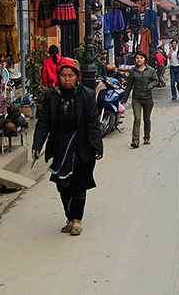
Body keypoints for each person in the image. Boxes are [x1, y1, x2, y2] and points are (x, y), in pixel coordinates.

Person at [32, 58, 103, 236]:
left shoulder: (86, 95)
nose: (67, 79)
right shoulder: (51, 95)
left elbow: (93, 123)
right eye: (63, 75)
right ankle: (69, 218)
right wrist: (37, 144)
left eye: (70, 75)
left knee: (79, 183)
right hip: (60, 144)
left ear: (77, 76)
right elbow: (43, 122)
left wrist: (97, 146)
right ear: (58, 76)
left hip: (81, 144)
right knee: (62, 185)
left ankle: (77, 220)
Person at [121, 51, 158, 148]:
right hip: (136, 98)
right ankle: (135, 140)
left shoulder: (150, 70)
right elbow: (129, 85)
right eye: (137, 58)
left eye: (141, 58)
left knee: (147, 119)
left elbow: (156, 80)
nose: (139, 60)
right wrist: (125, 97)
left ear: (145, 59)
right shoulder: (133, 71)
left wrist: (150, 86)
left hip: (148, 98)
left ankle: (146, 137)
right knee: (137, 119)